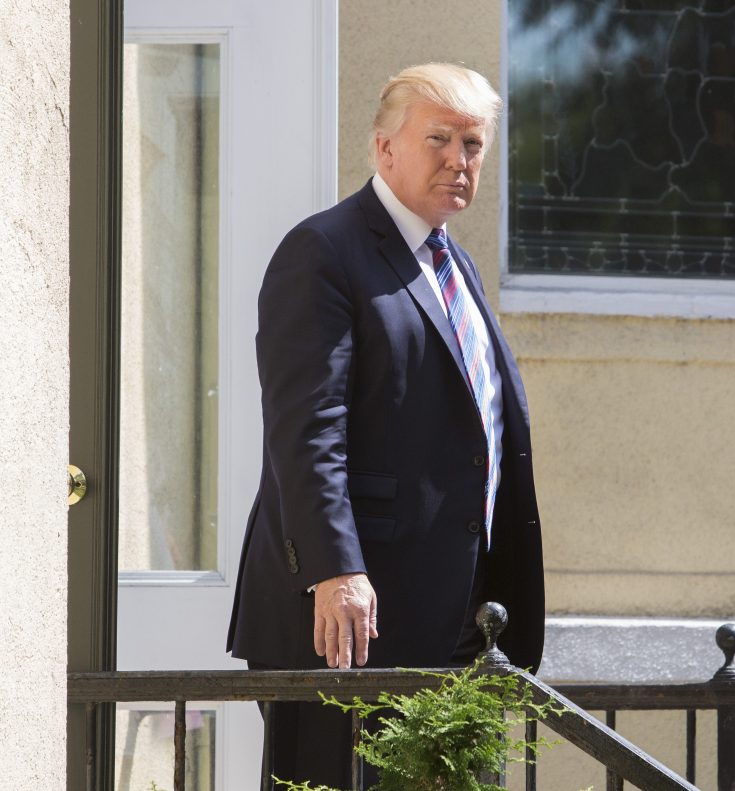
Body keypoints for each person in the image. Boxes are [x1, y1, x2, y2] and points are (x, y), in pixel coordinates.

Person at [227, 62, 545, 788]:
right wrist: (336, 568)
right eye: (438, 138)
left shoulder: (453, 265)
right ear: (384, 148)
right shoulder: (324, 253)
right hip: (346, 626)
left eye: (472, 144)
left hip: (458, 622)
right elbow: (307, 430)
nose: (458, 161)